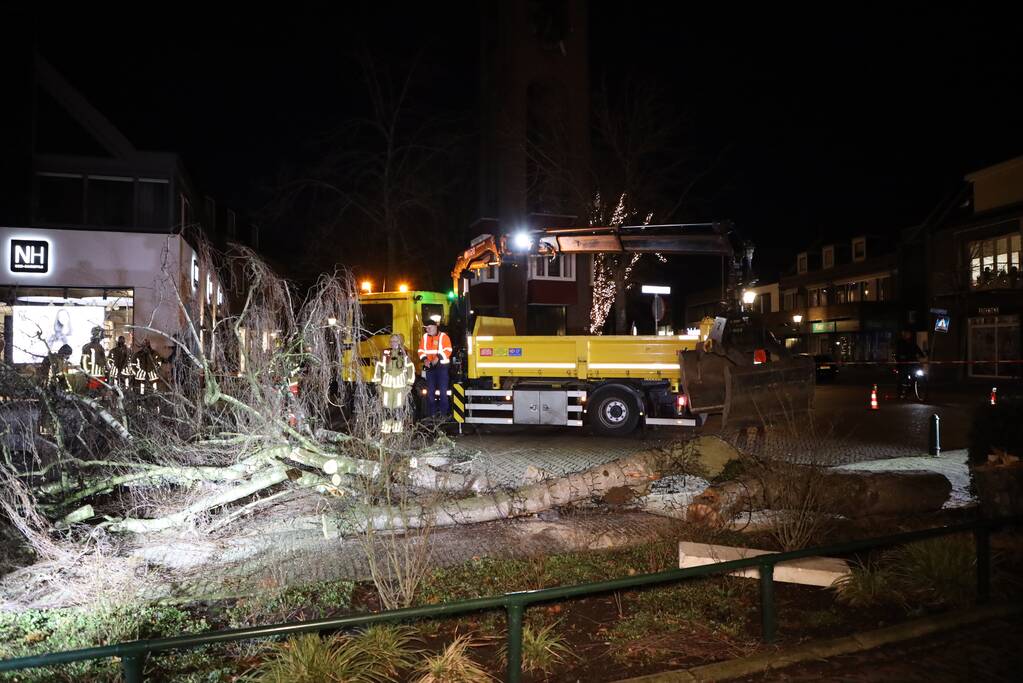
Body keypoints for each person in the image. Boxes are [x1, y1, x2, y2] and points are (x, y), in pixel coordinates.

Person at [373, 333, 417, 433]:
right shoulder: (385, 353)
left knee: (398, 409)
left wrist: (409, 385)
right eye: (391, 341)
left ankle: (397, 432)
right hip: (386, 387)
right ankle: (385, 431)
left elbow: (410, 368)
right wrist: (377, 384)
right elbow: (378, 369)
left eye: (396, 341)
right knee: (386, 408)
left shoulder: (405, 354)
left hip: (400, 387)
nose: (393, 343)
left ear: (400, 342)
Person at [417, 318, 452, 419]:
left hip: (442, 368)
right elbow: (421, 350)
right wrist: (425, 360)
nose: (427, 330)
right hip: (430, 368)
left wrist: (438, 358)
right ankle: (432, 415)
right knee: (430, 392)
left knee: (443, 391)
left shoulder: (443, 336)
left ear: (435, 327)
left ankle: (443, 415)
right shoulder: (425, 337)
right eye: (426, 328)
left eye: (429, 328)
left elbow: (448, 350)